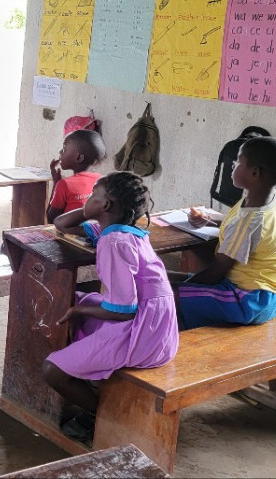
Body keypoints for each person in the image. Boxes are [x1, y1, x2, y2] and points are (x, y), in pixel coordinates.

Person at [43, 172, 179, 444]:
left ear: (106, 205)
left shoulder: (115, 242)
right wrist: (89, 209)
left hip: (143, 333)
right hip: (156, 325)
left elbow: (123, 310)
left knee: (51, 370)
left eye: (94, 195)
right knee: (79, 300)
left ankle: (102, 415)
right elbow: (60, 223)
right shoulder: (121, 231)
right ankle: (89, 370)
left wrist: (80, 312)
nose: (89, 198)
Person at [171, 136, 276, 330]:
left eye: (238, 161)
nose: (233, 165)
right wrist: (211, 219)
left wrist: (185, 287)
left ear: (254, 173)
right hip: (265, 293)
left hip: (246, 300)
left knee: (165, 295)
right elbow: (241, 223)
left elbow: (215, 273)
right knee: (165, 277)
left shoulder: (248, 223)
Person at [47, 129, 106, 223]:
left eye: (64, 148)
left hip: (70, 231)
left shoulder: (64, 184)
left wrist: (56, 183)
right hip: (95, 231)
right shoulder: (103, 180)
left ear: (79, 158)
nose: (60, 152)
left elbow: (52, 219)